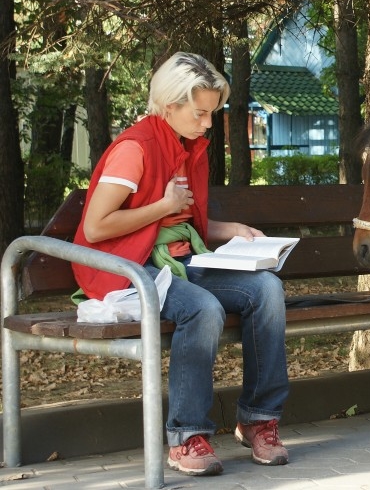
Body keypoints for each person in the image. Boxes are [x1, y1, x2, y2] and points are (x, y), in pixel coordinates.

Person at [71, 52, 290, 476]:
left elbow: (182, 221)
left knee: (267, 289)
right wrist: (164, 205)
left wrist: (229, 230)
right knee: (201, 308)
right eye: (200, 113)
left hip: (178, 261)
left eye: (212, 112)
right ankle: (187, 435)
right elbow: (96, 228)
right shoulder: (135, 148)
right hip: (125, 267)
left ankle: (259, 420)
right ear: (169, 105)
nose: (208, 123)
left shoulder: (190, 146)